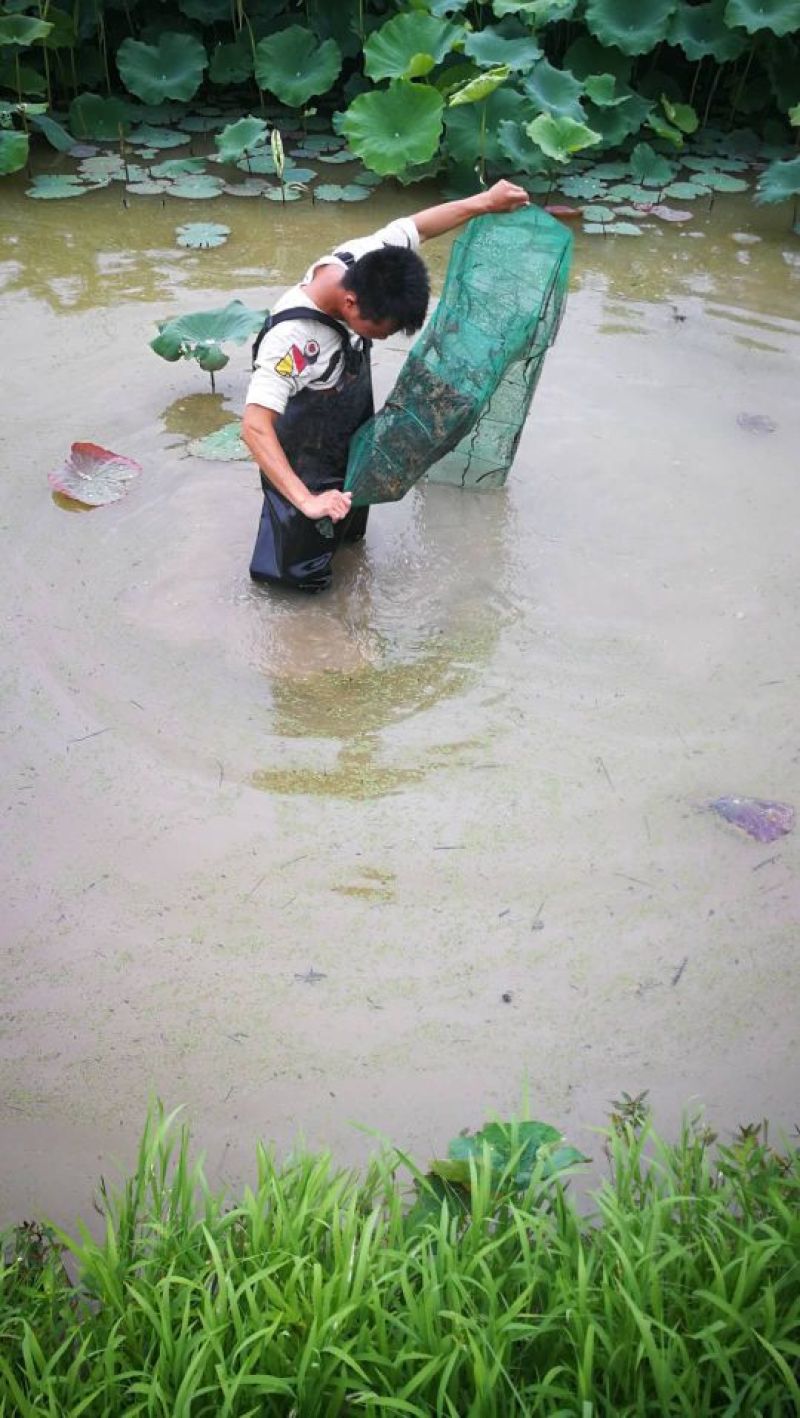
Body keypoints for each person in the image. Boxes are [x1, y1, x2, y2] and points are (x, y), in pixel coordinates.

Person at [241, 179, 529, 593]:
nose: (379, 340)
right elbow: (254, 426)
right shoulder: (294, 341)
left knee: (349, 544)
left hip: (350, 446)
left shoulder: (365, 259)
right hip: (303, 465)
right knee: (293, 584)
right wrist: (306, 500)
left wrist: (484, 201)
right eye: (377, 331)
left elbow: (418, 227)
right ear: (351, 304)